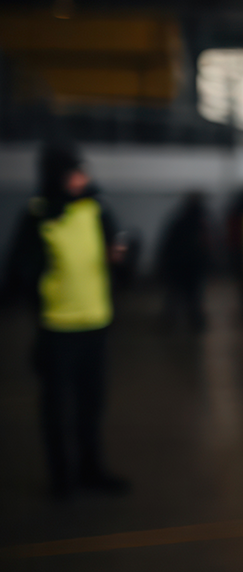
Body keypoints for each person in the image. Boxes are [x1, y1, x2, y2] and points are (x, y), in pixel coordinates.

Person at [5, 142, 129, 498]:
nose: (82, 178)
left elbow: (115, 252)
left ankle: (92, 470)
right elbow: (19, 270)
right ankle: (62, 480)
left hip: (96, 323)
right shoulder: (39, 214)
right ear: (56, 177)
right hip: (58, 329)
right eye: (74, 172)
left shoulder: (97, 208)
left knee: (91, 405)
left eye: (82, 171)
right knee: (57, 409)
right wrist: (37, 284)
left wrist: (120, 258)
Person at [158, 191, 211, 330]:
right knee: (193, 297)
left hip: (178, 265)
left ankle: (170, 323)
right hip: (194, 266)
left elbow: (167, 244)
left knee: (175, 296)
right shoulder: (203, 222)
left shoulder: (179, 220)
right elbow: (209, 245)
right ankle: (195, 323)